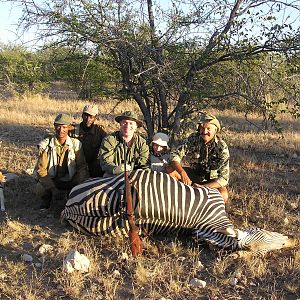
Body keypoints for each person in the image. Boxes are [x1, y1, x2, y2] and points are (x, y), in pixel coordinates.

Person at [169, 112, 230, 203]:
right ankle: (176, 202)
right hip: (193, 175)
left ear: (215, 130)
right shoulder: (193, 138)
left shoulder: (222, 147)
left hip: (210, 181)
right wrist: (182, 172)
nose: (204, 132)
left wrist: (203, 187)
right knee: (170, 171)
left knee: (223, 195)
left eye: (208, 128)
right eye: (202, 128)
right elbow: (174, 155)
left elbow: (223, 179)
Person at [35, 113, 89, 211]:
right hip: (53, 180)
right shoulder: (46, 145)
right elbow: (41, 170)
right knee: (40, 188)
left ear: (68, 128)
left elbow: (82, 166)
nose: (61, 130)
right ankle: (47, 200)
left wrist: (79, 183)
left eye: (64, 127)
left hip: (70, 179)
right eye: (58, 126)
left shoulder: (76, 144)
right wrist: (53, 189)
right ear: (54, 127)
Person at [99, 111, 149, 177]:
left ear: (136, 126)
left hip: (135, 177)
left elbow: (144, 164)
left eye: (131, 123)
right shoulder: (110, 140)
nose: (127, 126)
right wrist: (115, 169)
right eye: (125, 122)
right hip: (113, 176)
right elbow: (105, 162)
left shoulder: (142, 143)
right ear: (120, 124)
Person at [69, 105, 107, 177]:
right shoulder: (72, 130)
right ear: (82, 115)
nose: (88, 119)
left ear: (95, 118)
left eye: (91, 117)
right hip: (75, 165)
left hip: (93, 166)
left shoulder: (100, 132)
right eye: (86, 116)